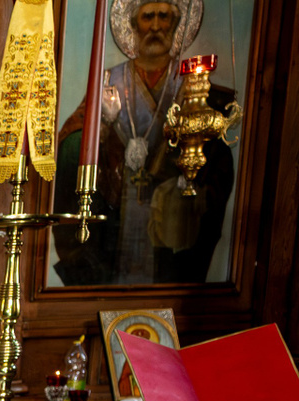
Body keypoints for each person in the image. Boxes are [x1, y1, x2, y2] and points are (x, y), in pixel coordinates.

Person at [53, 0, 237, 286]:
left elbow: (218, 158)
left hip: (169, 221)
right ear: (133, 25)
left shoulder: (192, 85)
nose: (155, 26)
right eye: (148, 16)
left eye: (164, 17)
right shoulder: (108, 81)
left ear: (176, 24)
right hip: (115, 220)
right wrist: (103, 126)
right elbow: (72, 145)